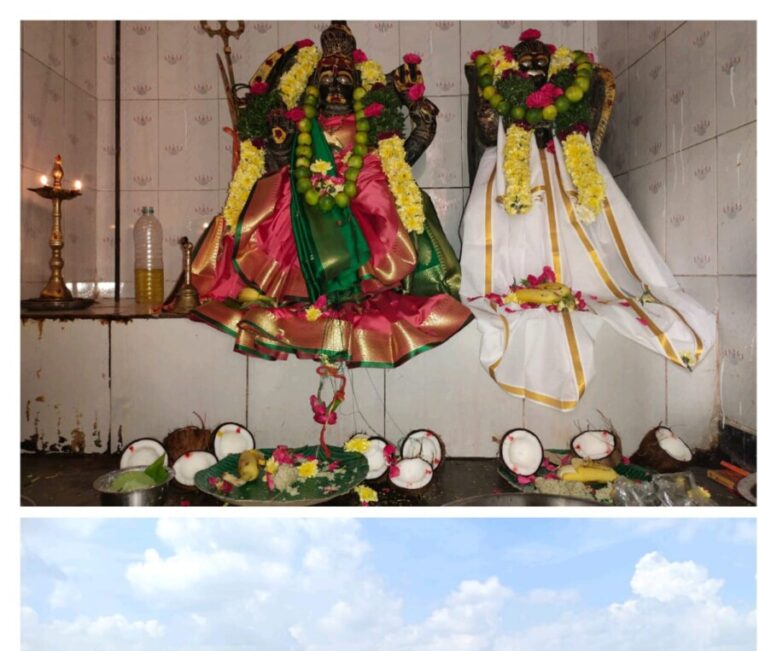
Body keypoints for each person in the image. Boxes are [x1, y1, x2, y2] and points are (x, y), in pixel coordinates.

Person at [460, 28, 715, 409]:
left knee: (591, 196)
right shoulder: (502, 86)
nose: (534, 68)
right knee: (501, 204)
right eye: (526, 63)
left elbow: (578, 125)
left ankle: (583, 278)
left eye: (540, 62)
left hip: (567, 161)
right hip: (512, 165)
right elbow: (485, 133)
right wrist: (492, 102)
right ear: (513, 66)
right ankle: (518, 283)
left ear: (551, 65)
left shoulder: (566, 87)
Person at [190, 21, 471, 367]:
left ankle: (359, 288)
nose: (335, 87)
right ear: (313, 86)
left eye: (344, 80)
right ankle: (303, 290)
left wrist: (423, 123)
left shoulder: (371, 127)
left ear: (357, 87)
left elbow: (399, 162)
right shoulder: (302, 124)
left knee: (399, 198)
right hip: (304, 208)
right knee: (281, 193)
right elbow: (278, 167)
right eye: (327, 80)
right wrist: (280, 145)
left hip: (361, 202)